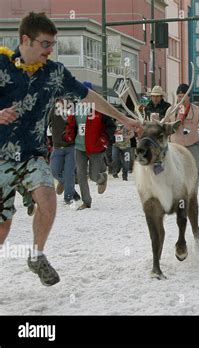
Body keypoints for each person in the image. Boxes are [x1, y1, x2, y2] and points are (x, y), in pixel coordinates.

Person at [0, 12, 141, 286]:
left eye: (53, 44)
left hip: (32, 155)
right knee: (3, 226)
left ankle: (37, 255)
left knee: (48, 199)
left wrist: (124, 118)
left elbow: (89, 96)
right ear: (25, 40)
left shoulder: (54, 74)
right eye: (44, 44)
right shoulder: (1, 66)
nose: (50, 50)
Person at [64, 82, 117, 210]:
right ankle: (86, 202)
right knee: (81, 175)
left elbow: (111, 126)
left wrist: (104, 138)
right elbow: (71, 125)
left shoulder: (99, 108)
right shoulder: (76, 108)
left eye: (87, 93)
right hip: (79, 147)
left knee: (93, 175)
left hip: (95, 147)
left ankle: (101, 179)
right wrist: (68, 134)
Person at [162, 84, 199, 173]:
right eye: (179, 96)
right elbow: (163, 125)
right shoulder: (171, 110)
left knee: (192, 173)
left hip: (193, 146)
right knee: (176, 173)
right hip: (175, 147)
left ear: (188, 97)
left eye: (183, 96)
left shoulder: (197, 110)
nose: (181, 99)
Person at [49, 99, 81, 204]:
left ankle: (68, 197)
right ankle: (71, 190)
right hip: (57, 147)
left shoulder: (73, 108)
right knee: (55, 171)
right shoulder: (51, 109)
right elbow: (46, 123)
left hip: (71, 147)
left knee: (69, 173)